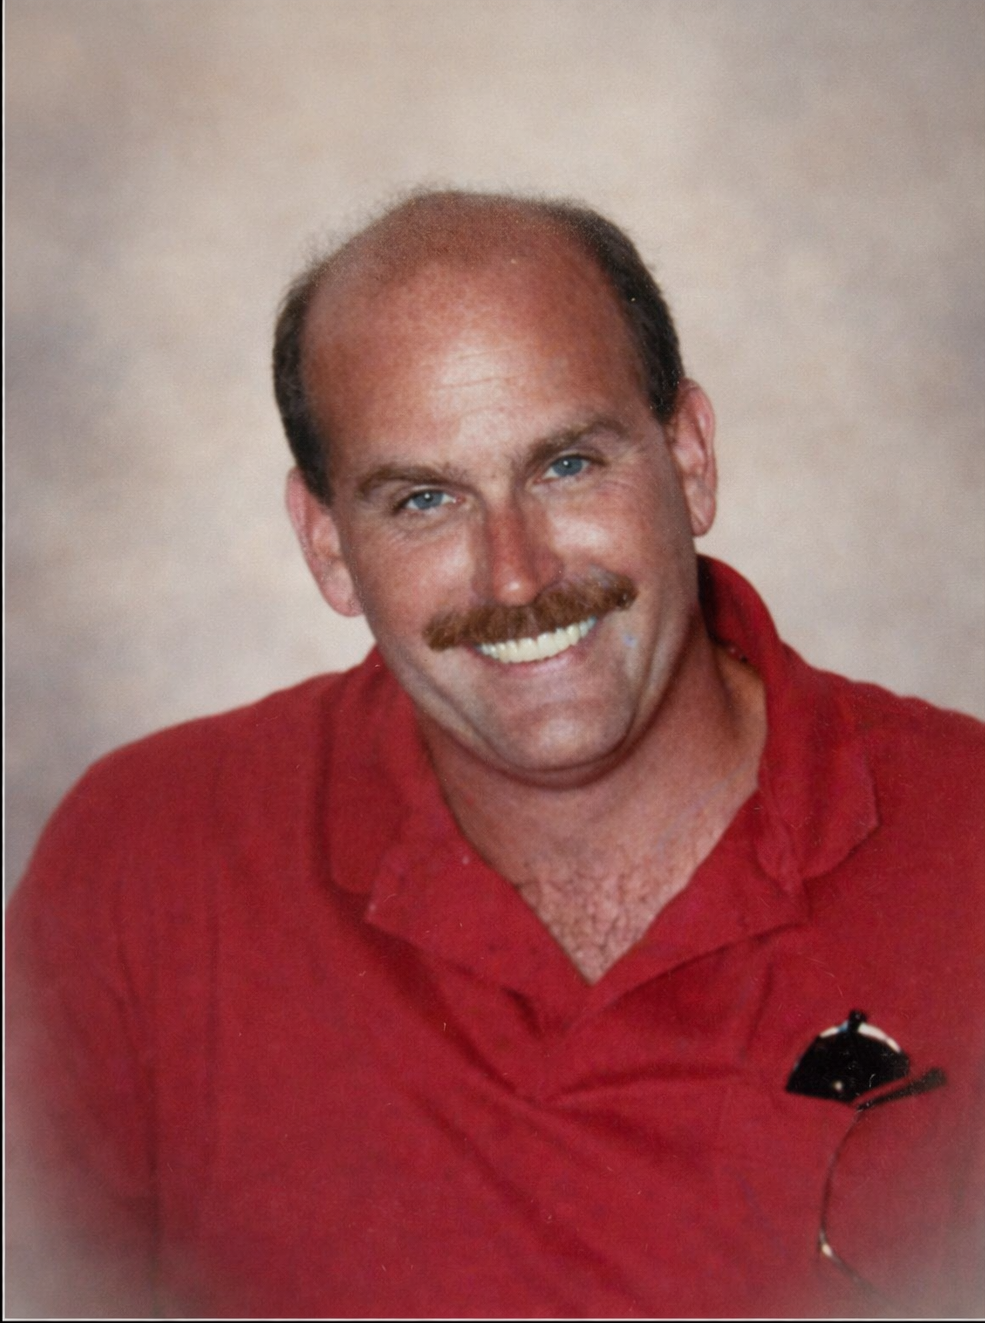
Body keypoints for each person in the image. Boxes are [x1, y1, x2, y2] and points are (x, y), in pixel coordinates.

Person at [7, 190, 983, 1319]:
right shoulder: (142, 867)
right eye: (424, 499)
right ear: (328, 547)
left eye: (566, 466)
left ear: (689, 459)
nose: (516, 576)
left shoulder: (963, 842)